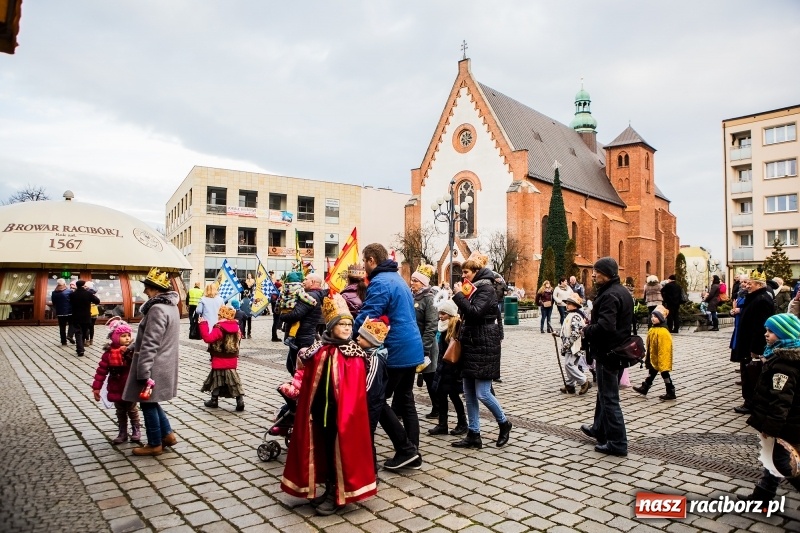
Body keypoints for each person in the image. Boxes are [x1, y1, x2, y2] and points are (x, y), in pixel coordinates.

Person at [281, 293, 377, 515]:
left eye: (348, 325)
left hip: (341, 415)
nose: (346, 328)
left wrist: (346, 412)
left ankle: (338, 493)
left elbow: (357, 391)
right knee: (322, 449)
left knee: (339, 454)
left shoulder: (354, 355)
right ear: (331, 327)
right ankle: (328, 489)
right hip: (319, 412)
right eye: (341, 324)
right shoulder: (320, 349)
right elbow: (305, 371)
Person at [352, 243, 424, 470]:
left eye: (365, 261)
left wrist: (345, 329)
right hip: (412, 346)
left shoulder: (381, 282)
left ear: (372, 260)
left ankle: (405, 449)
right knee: (405, 399)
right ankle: (413, 452)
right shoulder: (398, 279)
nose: (364, 266)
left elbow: (368, 316)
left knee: (377, 399)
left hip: (396, 350)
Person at [451, 252, 512, 449]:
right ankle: (474, 434)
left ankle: (504, 422)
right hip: (472, 342)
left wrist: (458, 295)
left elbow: (475, 313)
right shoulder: (475, 287)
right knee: (468, 392)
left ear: (476, 271)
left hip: (484, 342)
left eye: (466, 272)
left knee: (483, 392)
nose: (464, 276)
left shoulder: (486, 289)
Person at [741, 313, 800, 505]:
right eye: (766, 330)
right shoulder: (777, 356)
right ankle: (763, 495)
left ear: (785, 335)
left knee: (783, 463)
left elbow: (780, 401)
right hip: (786, 422)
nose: (766, 335)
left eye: (772, 332)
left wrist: (770, 428)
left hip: (785, 424)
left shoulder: (784, 365)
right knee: (771, 458)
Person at [122, 267, 180, 456]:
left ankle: (155, 443)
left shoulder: (156, 309)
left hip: (154, 364)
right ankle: (168, 435)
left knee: (147, 403)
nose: (145, 291)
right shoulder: (171, 306)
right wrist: (130, 348)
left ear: (155, 289)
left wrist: (144, 370)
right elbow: (150, 337)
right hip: (165, 362)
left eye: (147, 287)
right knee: (152, 402)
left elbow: (151, 342)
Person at [580, 257, 633, 457]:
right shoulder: (622, 292)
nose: (593, 275)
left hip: (609, 352)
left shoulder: (610, 295)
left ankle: (618, 443)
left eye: (597, 272)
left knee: (610, 398)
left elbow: (606, 327)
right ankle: (599, 429)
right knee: (604, 394)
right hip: (619, 351)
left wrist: (587, 329)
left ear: (607, 273)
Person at [91, 318, 141, 444]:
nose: (127, 338)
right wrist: (96, 387)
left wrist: (129, 353)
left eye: (129, 335)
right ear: (114, 337)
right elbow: (101, 371)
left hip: (129, 386)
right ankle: (122, 431)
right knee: (120, 410)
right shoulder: (108, 354)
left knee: (132, 409)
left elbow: (138, 364)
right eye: (123, 336)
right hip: (116, 386)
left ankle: (136, 429)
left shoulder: (132, 351)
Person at [731, 270, 775, 414]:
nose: (746, 286)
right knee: (747, 373)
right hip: (746, 343)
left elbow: (760, 327)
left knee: (751, 374)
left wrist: (755, 349)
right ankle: (750, 401)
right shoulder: (755, 297)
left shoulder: (761, 300)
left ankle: (752, 403)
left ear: (758, 284)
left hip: (752, 346)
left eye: (750, 283)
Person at [429, 298, 467, 436]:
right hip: (443, 366)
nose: (440, 316)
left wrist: (457, 370)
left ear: (450, 314)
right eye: (440, 313)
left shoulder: (456, 326)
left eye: (443, 314)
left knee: (454, 396)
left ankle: (462, 423)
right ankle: (442, 424)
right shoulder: (443, 326)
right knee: (441, 395)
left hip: (452, 368)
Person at [279, 272, 328, 376]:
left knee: (297, 369)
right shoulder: (318, 295)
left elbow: (296, 315)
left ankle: (299, 389)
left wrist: (282, 315)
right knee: (292, 365)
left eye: (306, 279)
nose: (303, 282)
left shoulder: (309, 296)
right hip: (306, 336)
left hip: (300, 338)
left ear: (313, 282)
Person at [199, 305, 245, 411]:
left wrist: (203, 324)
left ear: (221, 315)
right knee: (234, 380)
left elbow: (208, 338)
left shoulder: (219, 327)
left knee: (217, 379)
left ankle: (214, 400)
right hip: (231, 358)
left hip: (219, 358)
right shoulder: (237, 327)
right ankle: (239, 400)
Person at [409, 264, 439, 420]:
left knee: (430, 378)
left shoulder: (429, 298)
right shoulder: (413, 297)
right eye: (412, 280)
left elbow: (432, 324)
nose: (412, 283)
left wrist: (424, 347)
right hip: (414, 344)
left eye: (416, 280)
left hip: (426, 346)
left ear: (423, 283)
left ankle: (438, 407)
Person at [633, 305, 677, 401]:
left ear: (661, 318)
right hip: (654, 355)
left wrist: (662, 359)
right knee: (652, 371)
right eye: (652, 316)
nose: (653, 318)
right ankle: (645, 387)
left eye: (656, 317)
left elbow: (665, 348)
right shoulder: (653, 329)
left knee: (664, 374)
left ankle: (670, 390)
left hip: (661, 356)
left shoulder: (663, 332)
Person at [559, 294, 591, 395]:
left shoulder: (576, 316)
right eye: (567, 303)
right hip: (570, 345)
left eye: (569, 304)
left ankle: (583, 381)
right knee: (572, 364)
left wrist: (567, 344)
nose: (567, 305)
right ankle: (570, 385)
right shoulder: (570, 315)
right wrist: (558, 333)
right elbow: (566, 329)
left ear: (575, 306)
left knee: (569, 364)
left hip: (574, 346)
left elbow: (575, 333)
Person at [69, 280, 100, 357]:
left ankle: (80, 349)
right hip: (86, 316)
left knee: (78, 333)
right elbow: (97, 301)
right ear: (83, 285)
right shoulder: (88, 294)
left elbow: (70, 303)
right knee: (84, 332)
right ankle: (81, 347)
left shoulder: (72, 294)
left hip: (76, 316)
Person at [51, 278, 75, 346]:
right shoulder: (69, 291)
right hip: (70, 311)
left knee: (62, 327)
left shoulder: (54, 292)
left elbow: (54, 302)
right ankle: (70, 335)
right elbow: (73, 301)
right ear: (64, 284)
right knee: (72, 324)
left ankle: (63, 341)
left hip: (60, 312)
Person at [85, 280, 100, 345]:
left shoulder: (87, 293)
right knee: (92, 326)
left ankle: (87, 340)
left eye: (85, 286)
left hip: (88, 312)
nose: (84, 287)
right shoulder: (94, 293)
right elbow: (98, 301)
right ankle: (91, 340)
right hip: (94, 312)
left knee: (86, 327)